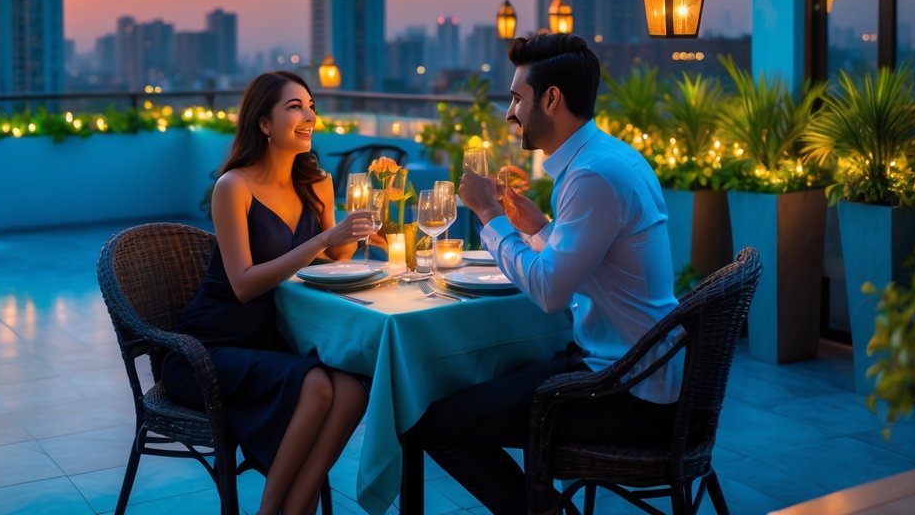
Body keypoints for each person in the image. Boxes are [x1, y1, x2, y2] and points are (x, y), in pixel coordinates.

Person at [411, 33, 682, 515]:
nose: (509, 112)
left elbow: (550, 291)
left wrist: (490, 216)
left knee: (437, 425)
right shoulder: (605, 157)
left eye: (517, 98)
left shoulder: (592, 176)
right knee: (490, 381)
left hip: (629, 392)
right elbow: (583, 258)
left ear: (551, 98)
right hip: (638, 368)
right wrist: (535, 227)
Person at [162, 71, 373, 515]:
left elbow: (336, 257)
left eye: (310, 105)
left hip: (271, 341)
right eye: (294, 106)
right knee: (316, 386)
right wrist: (317, 240)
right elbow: (243, 284)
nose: (308, 115)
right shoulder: (233, 186)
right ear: (263, 123)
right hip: (210, 347)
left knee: (354, 390)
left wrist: (354, 226)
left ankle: (295, 508)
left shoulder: (316, 183)